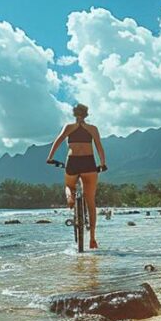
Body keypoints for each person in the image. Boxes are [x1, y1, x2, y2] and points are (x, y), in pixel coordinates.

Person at [46, 103, 107, 248]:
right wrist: (103, 164)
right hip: (89, 163)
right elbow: (99, 146)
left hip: (73, 162)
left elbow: (58, 141)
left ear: (74, 114)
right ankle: (92, 238)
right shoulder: (92, 129)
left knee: (68, 185)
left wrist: (50, 157)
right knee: (90, 201)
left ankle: (70, 198)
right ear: (86, 115)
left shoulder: (69, 127)